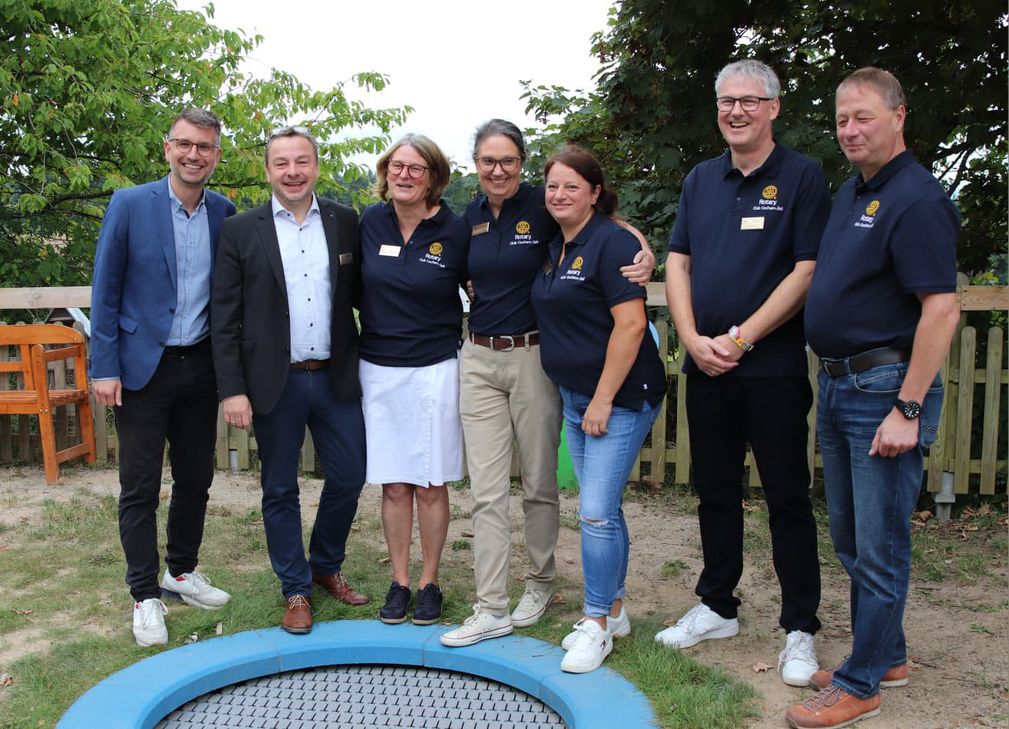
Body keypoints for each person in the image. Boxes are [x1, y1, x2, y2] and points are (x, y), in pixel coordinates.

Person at [786, 67, 959, 729]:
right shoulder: (854, 193)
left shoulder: (915, 198)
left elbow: (940, 309)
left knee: (879, 542)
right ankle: (884, 653)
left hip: (883, 388)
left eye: (862, 117)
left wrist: (908, 408)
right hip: (838, 384)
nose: (849, 130)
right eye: (841, 120)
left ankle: (859, 683)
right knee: (853, 537)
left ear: (897, 115)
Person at [440, 120, 654, 648]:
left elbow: (607, 226)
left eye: (508, 160)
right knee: (486, 490)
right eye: (488, 160)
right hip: (479, 357)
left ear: (521, 163)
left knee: (538, 483)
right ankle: (490, 605)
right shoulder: (466, 215)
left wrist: (644, 250)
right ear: (475, 163)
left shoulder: (544, 202)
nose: (497, 170)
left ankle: (539, 584)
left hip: (533, 357)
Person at [658, 59, 829, 687]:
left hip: (773, 369)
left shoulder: (804, 177)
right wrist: (690, 338)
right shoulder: (701, 179)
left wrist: (741, 338)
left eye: (748, 102)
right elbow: (678, 262)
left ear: (774, 107)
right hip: (705, 365)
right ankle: (717, 606)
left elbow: (806, 271)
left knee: (787, 498)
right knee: (715, 493)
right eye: (726, 101)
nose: (735, 112)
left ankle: (800, 628)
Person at [211, 126, 369, 635]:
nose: (293, 171)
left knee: (348, 476)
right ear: (268, 171)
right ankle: (295, 588)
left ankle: (325, 565)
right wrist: (232, 388)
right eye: (282, 163)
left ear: (316, 166)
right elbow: (224, 314)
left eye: (302, 161)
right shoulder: (241, 230)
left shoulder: (346, 222)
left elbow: (372, 293)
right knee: (280, 488)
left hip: (335, 377)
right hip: (272, 382)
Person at [90, 108, 235, 647]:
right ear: (168, 147)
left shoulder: (225, 211)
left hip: (199, 366)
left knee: (196, 477)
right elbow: (104, 291)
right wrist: (103, 365)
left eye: (205, 147)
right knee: (140, 486)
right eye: (185, 144)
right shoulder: (131, 204)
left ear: (216, 155)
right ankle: (144, 594)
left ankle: (180, 572)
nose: (194, 154)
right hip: (139, 369)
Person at [528, 145, 666, 674]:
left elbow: (632, 326)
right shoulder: (554, 244)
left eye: (572, 186)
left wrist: (604, 400)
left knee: (594, 512)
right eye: (553, 186)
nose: (559, 195)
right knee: (602, 510)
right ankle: (616, 609)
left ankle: (596, 624)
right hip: (576, 397)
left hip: (620, 399)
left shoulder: (610, 244)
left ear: (594, 192)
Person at [357, 134, 468, 626]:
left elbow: (484, 281)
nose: (404, 175)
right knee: (395, 484)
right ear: (385, 173)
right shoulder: (368, 223)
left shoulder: (456, 229)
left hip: (435, 369)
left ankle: (430, 583)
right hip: (379, 369)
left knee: (430, 483)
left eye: (416, 168)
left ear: (434, 176)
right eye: (397, 166)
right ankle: (400, 581)